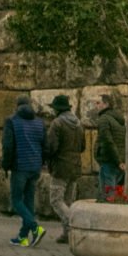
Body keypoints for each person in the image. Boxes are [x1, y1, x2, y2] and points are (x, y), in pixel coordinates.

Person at [0, 94, 47, 246]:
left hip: (20, 167)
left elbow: (8, 146)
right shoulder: (40, 123)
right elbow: (44, 146)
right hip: (35, 167)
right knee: (28, 202)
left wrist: (5, 165)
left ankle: (35, 228)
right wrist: (41, 162)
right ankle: (23, 237)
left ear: (17, 106)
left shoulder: (11, 121)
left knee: (16, 201)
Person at [42, 94, 86, 242]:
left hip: (61, 167)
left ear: (57, 110)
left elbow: (52, 147)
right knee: (67, 202)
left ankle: (74, 223)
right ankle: (67, 234)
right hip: (75, 167)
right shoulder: (79, 124)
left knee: (56, 200)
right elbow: (83, 147)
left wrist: (45, 157)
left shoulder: (57, 123)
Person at [92, 92, 126, 198]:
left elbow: (108, 141)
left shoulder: (104, 119)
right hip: (118, 161)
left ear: (106, 104)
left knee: (107, 197)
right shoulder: (118, 120)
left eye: (98, 103)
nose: (96, 106)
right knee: (114, 195)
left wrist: (118, 161)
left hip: (109, 162)